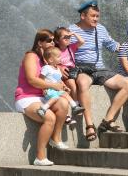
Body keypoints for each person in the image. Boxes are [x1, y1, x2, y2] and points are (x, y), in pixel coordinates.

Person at [67, 0, 128, 141]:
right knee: (83, 84)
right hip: (82, 68)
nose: (96, 19)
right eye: (93, 16)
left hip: (99, 68)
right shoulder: (71, 31)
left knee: (127, 84)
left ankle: (108, 120)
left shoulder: (100, 29)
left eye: (97, 16)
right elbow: (62, 51)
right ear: (83, 16)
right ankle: (89, 125)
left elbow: (111, 45)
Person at [14, 29, 69, 166]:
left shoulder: (46, 60)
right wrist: (54, 86)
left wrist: (61, 85)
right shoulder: (31, 56)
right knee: (50, 117)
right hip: (26, 98)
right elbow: (32, 80)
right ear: (40, 42)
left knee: (63, 103)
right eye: (49, 40)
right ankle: (40, 157)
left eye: (53, 40)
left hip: (42, 97)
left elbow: (50, 79)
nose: (53, 42)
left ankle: (55, 138)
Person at [37, 47, 85, 119]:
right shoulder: (46, 68)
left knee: (65, 94)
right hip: (49, 90)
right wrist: (44, 89)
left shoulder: (58, 69)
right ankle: (43, 109)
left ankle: (74, 107)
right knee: (55, 97)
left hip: (57, 90)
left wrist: (65, 87)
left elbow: (59, 80)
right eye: (58, 57)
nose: (61, 58)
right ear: (51, 60)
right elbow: (41, 79)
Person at [54, 27, 85, 124]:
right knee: (71, 83)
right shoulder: (55, 50)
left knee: (79, 82)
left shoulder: (70, 47)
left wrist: (74, 34)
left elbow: (82, 41)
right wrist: (59, 66)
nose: (68, 39)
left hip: (73, 70)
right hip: (63, 72)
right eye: (65, 37)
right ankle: (75, 104)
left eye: (69, 37)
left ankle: (75, 103)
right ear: (57, 41)